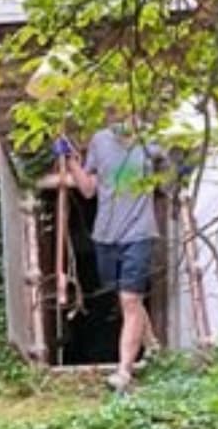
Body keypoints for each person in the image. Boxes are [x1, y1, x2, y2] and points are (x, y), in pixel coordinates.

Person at [65, 110, 160, 393]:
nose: (122, 117)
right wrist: (70, 161)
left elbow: (176, 166)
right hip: (105, 237)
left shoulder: (152, 141)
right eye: (116, 111)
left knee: (130, 299)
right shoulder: (99, 141)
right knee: (125, 299)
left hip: (139, 233)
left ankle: (123, 372)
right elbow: (88, 190)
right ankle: (152, 345)